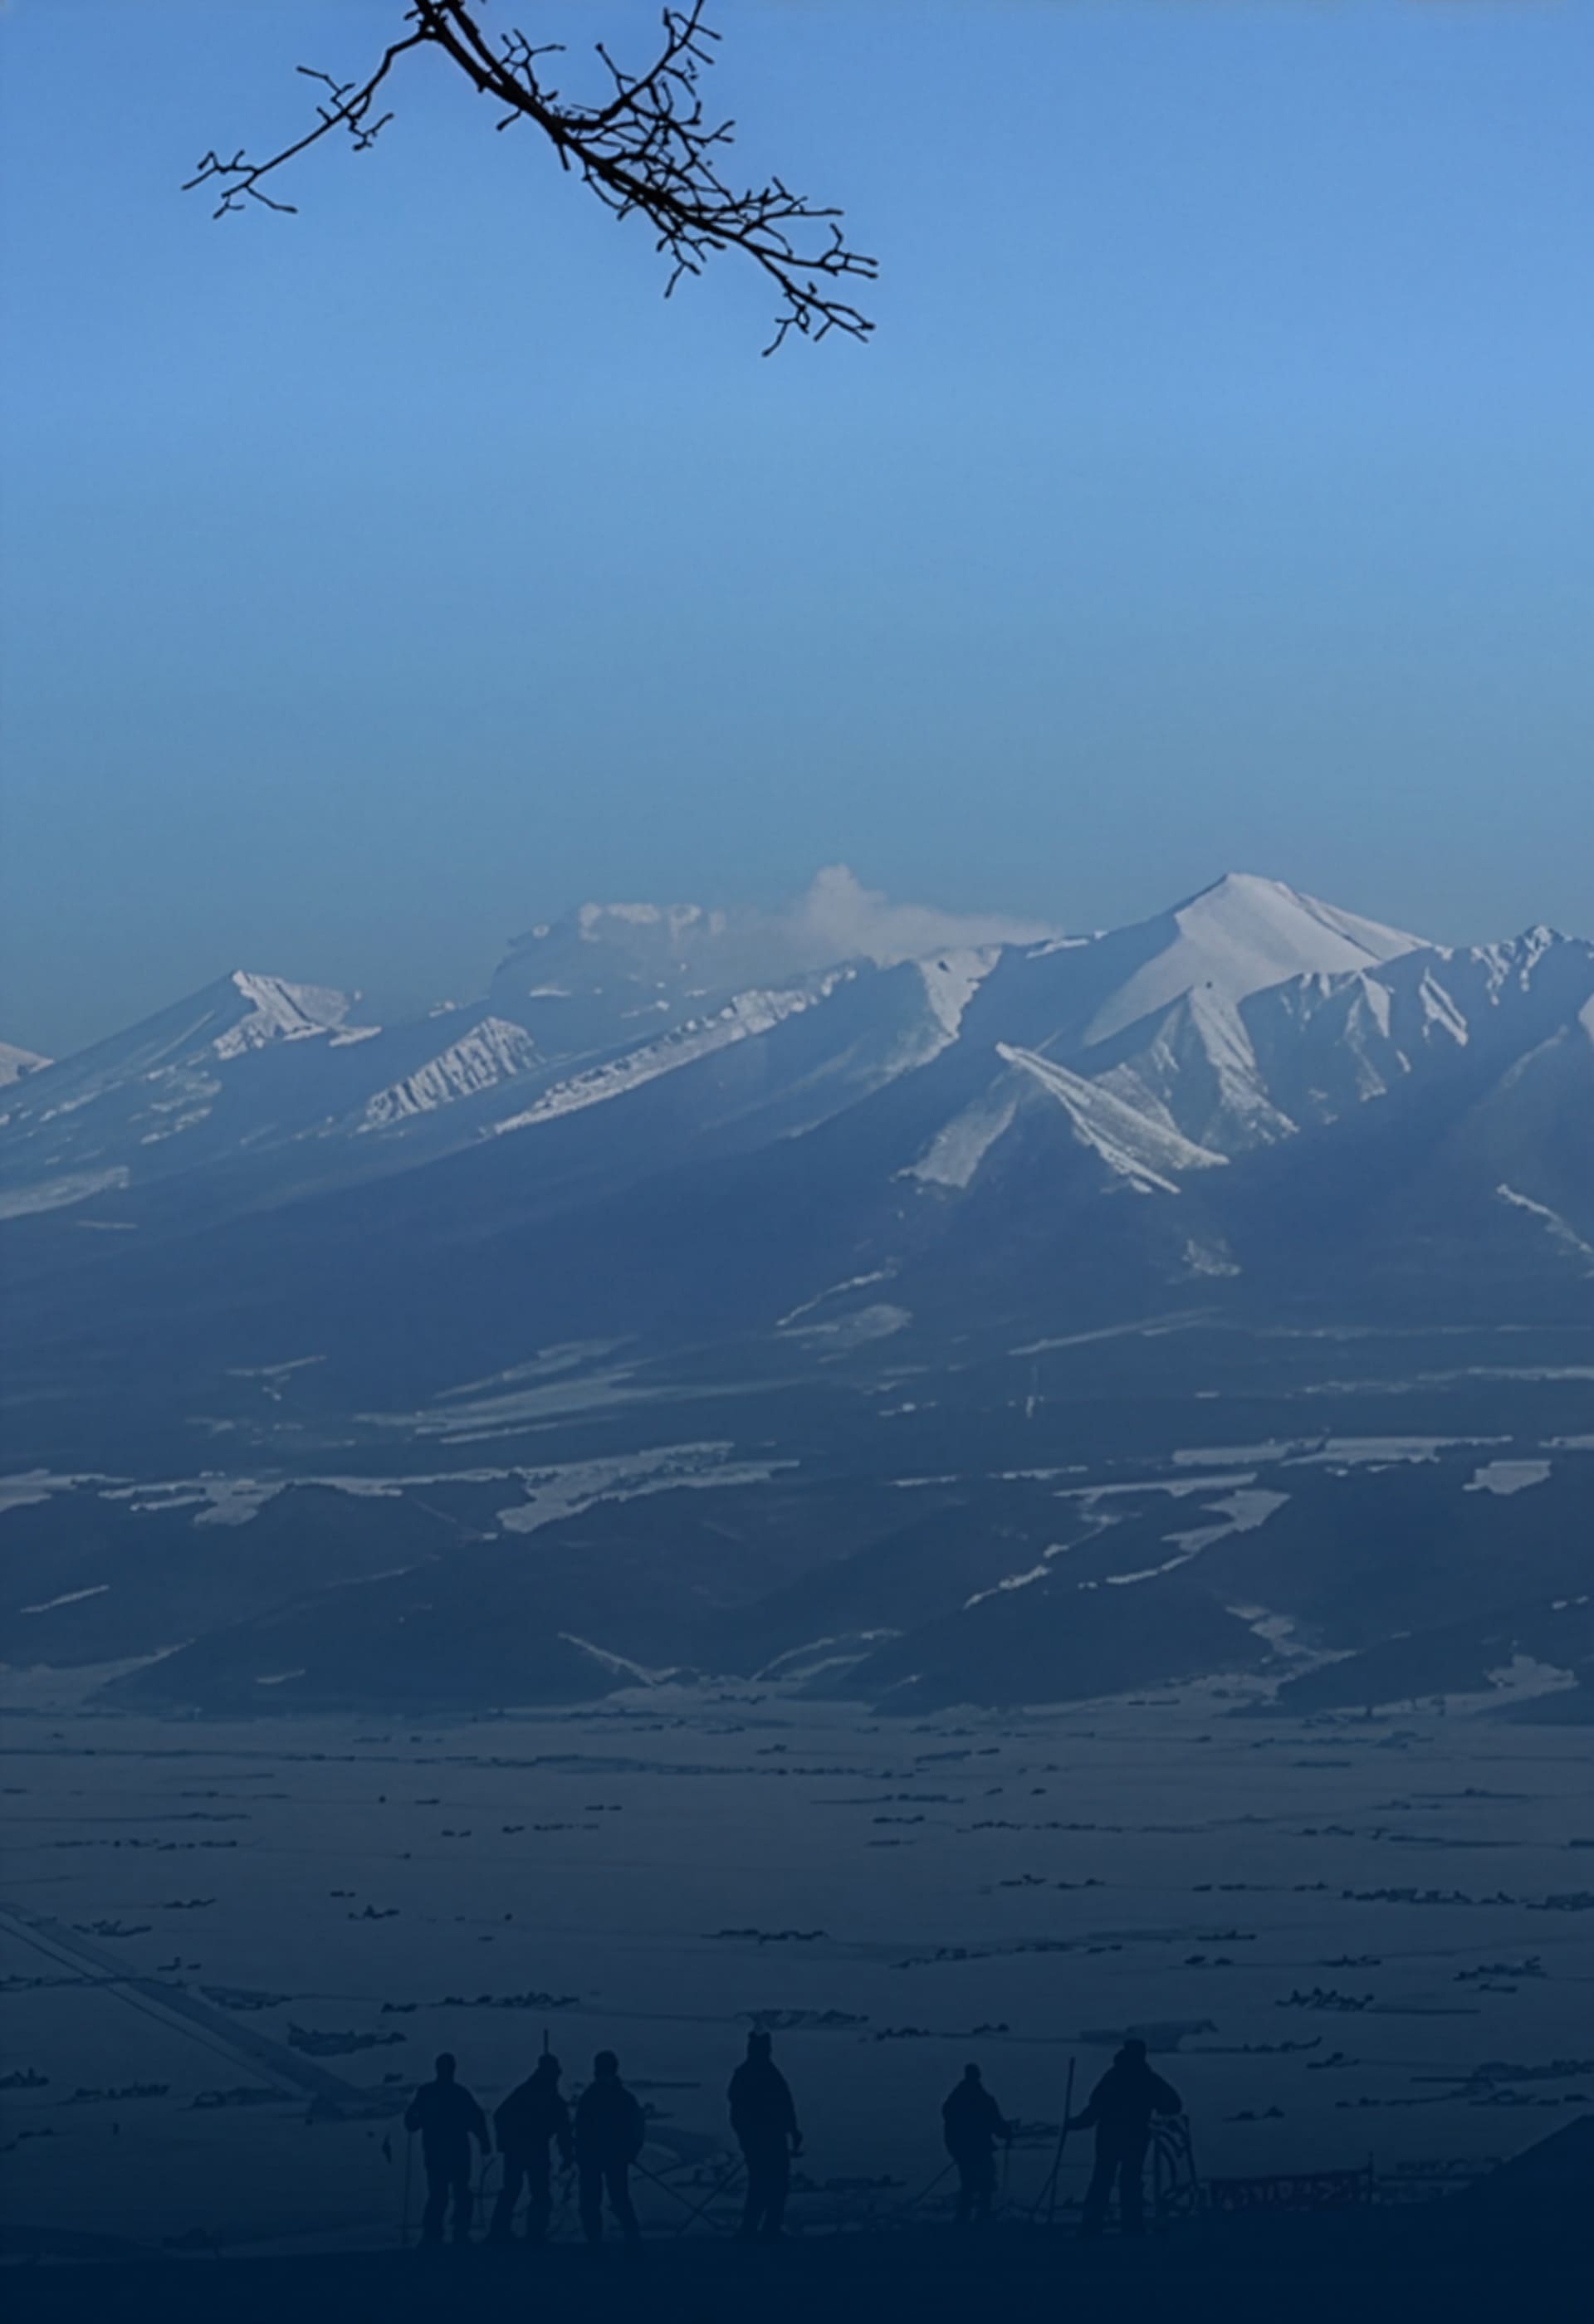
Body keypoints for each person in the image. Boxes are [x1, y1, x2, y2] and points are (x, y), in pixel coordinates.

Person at [1068, 2038, 1182, 2239]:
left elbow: (1095, 2108)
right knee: (1129, 2181)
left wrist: (1076, 2123)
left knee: (1103, 2180)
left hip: (1110, 2138)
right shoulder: (1147, 2079)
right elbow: (1172, 2104)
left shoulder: (1113, 2077)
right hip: (1135, 2138)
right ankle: (1131, 2228)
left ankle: (1092, 2228)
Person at [405, 2052, 491, 2247]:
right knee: (459, 2193)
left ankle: (433, 2233)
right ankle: (458, 2232)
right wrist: (484, 2142)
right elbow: (477, 2119)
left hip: (436, 2152)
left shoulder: (426, 2093)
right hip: (457, 2152)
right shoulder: (460, 2094)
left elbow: (413, 2123)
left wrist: (411, 2118)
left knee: (439, 2193)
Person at [489, 2051, 574, 2245]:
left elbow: (564, 2132)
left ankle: (519, 2232)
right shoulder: (537, 2096)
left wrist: (568, 2156)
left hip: (525, 2151)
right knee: (532, 2193)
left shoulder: (533, 2094)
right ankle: (516, 2233)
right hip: (526, 2150)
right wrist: (567, 2157)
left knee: (528, 2192)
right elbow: (500, 2116)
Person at [727, 2029, 804, 2243]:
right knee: (763, 2184)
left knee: (775, 2185)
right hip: (762, 2140)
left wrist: (793, 2130)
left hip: (772, 2139)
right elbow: (739, 2114)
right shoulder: (749, 2075)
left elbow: (785, 2105)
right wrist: (749, 2138)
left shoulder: (767, 2073)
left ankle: (768, 2227)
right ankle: (753, 2228)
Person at [573, 2050, 645, 2252]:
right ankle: (631, 2239)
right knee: (616, 2198)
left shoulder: (591, 2097)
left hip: (598, 2157)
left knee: (596, 2200)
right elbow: (637, 2128)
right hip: (610, 2156)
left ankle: (598, 2242)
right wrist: (632, 2150)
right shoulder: (624, 2098)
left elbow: (581, 2128)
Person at [941, 2063, 1010, 2225]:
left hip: (963, 2148)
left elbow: (994, 2122)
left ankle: (965, 2218)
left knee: (969, 2182)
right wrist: (1005, 2132)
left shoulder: (956, 2098)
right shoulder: (980, 2099)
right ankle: (979, 2216)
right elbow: (995, 2122)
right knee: (984, 2182)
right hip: (975, 2148)